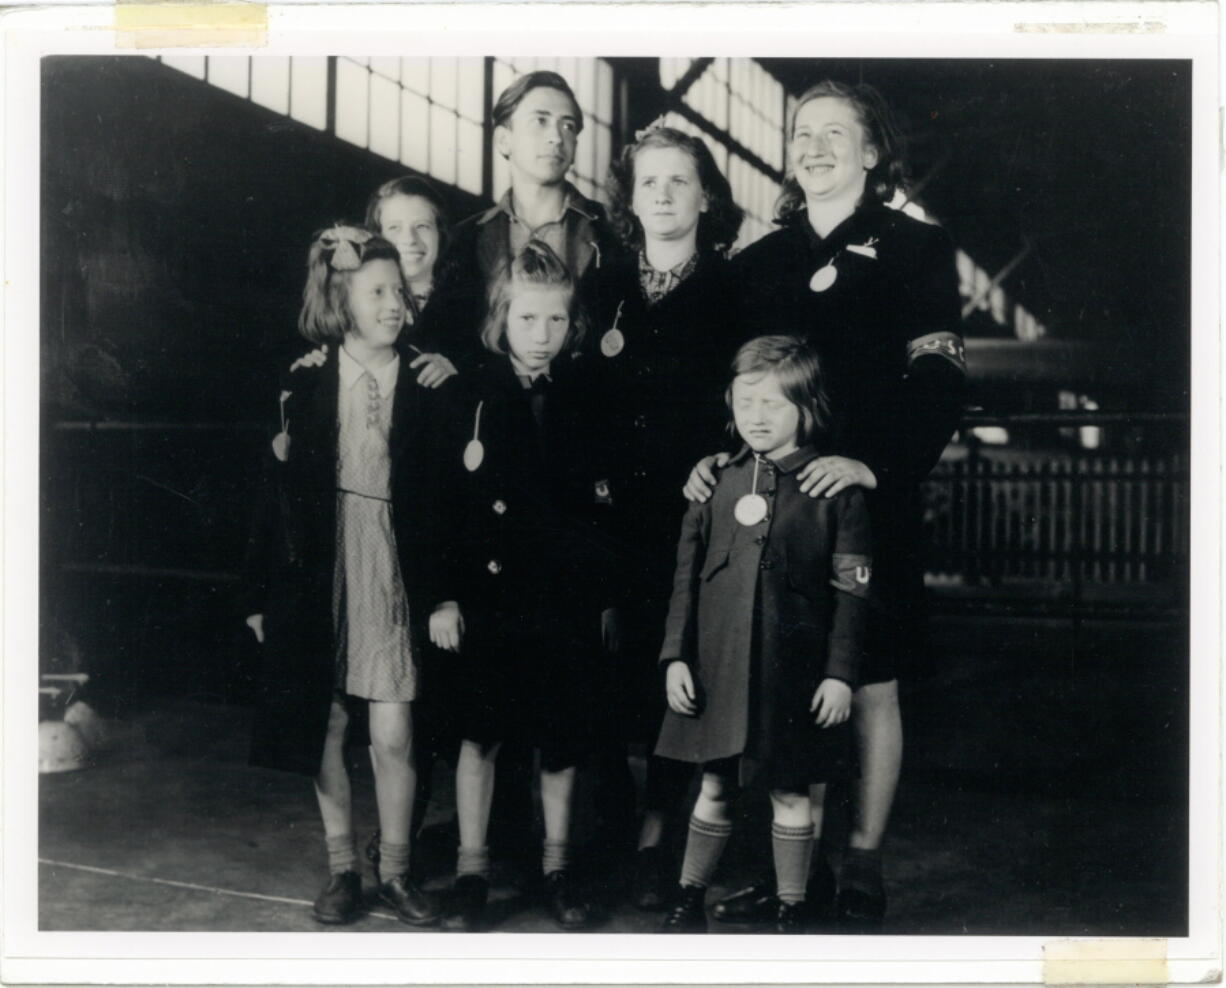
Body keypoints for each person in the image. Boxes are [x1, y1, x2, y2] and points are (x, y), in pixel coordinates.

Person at [683, 79, 967, 929]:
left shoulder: (918, 249)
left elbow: (940, 375)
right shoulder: (757, 262)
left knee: (870, 681)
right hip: (769, 512)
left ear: (872, 152)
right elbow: (724, 386)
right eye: (801, 132)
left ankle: (864, 861)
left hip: (866, 504)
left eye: (834, 134)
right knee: (776, 680)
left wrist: (875, 467)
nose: (813, 146)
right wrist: (720, 457)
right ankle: (784, 870)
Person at [241, 225, 463, 927]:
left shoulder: (431, 381)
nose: (395, 304)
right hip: (318, 567)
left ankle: (394, 872)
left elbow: (452, 503)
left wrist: (445, 592)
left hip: (395, 564)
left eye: (399, 291)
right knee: (325, 724)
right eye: (377, 292)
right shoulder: (304, 379)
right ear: (342, 298)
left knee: (394, 732)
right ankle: (342, 871)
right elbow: (269, 496)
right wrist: (258, 594)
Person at [432, 241, 622, 932]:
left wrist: (603, 598)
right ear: (499, 319)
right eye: (526, 320)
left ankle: (556, 868)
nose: (540, 336)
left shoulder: (587, 396)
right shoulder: (467, 395)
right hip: (488, 598)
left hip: (563, 599)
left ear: (572, 326)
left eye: (554, 322)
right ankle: (472, 872)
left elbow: (606, 510)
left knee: (561, 736)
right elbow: (442, 505)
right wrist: (444, 596)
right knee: (479, 737)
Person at [656, 335, 872, 934]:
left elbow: (852, 593)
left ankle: (792, 908)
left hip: (794, 673)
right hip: (718, 666)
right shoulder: (715, 483)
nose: (755, 416)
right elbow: (686, 582)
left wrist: (839, 674)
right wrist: (675, 656)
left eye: (773, 404)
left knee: (790, 790)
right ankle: (687, 899)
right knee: (715, 782)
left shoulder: (836, 491)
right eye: (745, 401)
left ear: (806, 409)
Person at [586, 122, 744, 908]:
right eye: (649, 182)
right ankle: (604, 832)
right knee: (608, 675)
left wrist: (717, 460)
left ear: (706, 196)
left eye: (679, 181)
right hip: (608, 518)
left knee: (678, 675)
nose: (662, 194)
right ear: (630, 198)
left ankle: (657, 841)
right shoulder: (603, 286)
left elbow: (750, 405)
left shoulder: (734, 290)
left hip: (692, 519)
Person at [415, 70, 621, 369]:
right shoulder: (465, 238)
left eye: (568, 126)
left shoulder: (611, 230)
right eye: (541, 121)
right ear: (503, 140)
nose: (556, 136)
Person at [365, 174, 456, 389]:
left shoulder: (473, 304)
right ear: (377, 236)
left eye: (422, 226)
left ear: (440, 234)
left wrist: (461, 368)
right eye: (394, 228)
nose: (409, 240)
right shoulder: (355, 305)